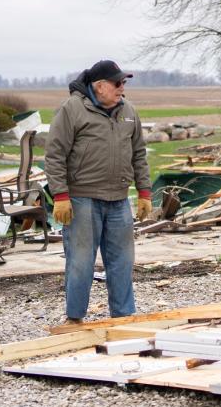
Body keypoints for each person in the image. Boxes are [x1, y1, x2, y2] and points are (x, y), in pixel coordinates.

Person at [44, 60, 153, 322]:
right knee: (81, 262)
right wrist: (60, 196)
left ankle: (124, 316)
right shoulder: (72, 109)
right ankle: (75, 318)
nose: (122, 88)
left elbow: (139, 154)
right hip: (82, 199)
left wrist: (145, 191)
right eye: (117, 83)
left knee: (122, 262)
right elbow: (55, 154)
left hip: (118, 199)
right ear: (100, 86)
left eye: (124, 83)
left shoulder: (128, 111)